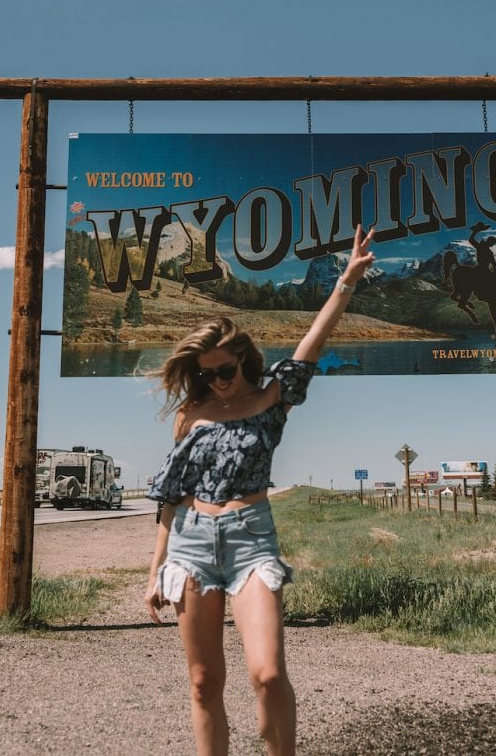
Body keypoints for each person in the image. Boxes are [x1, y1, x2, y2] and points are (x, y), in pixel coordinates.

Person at [144, 225, 375, 756]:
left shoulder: (273, 398)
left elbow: (309, 348)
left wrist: (345, 282)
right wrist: (155, 570)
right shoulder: (191, 414)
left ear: (243, 361)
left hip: (251, 539)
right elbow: (171, 496)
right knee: (204, 684)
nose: (219, 382)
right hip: (192, 544)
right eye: (207, 375)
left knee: (268, 674)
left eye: (225, 371)